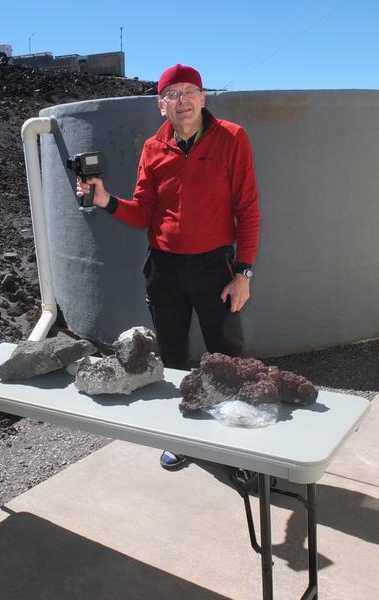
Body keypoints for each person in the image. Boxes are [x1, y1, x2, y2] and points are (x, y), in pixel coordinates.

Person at [76, 64, 261, 470]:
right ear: (162, 106)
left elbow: (247, 209)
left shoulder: (232, 137)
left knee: (228, 357)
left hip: (216, 266)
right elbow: (142, 213)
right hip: (164, 268)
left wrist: (242, 272)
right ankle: (185, 436)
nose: (183, 101)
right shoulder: (153, 149)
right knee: (174, 357)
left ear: (203, 96)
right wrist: (105, 199)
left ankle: (239, 449)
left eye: (189, 91)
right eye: (173, 94)